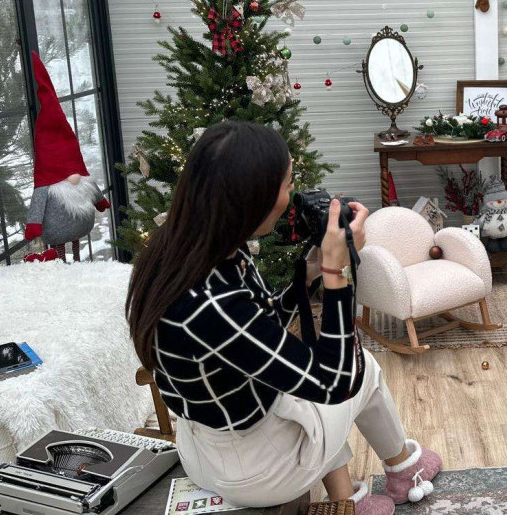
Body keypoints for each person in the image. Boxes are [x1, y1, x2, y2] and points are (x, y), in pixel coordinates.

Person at [125, 121, 441, 515]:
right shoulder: (211, 304)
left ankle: (355, 496)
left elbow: (261, 323)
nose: (292, 197)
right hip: (255, 469)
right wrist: (334, 272)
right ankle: (403, 472)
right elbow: (337, 383)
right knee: (367, 370)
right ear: (252, 198)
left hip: (206, 444)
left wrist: (308, 271)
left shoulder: (185, 253)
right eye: (287, 184)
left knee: (309, 396)